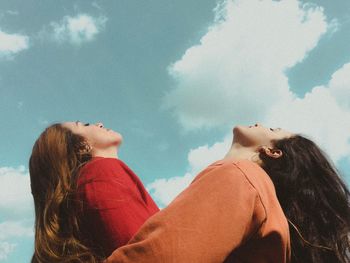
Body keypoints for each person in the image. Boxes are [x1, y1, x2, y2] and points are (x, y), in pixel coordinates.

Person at [105, 124, 350, 263]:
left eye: (274, 129)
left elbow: (161, 258)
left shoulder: (239, 174)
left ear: (273, 152)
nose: (262, 123)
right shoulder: (261, 196)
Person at [29, 121, 159, 263]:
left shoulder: (89, 181)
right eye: (85, 125)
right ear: (81, 146)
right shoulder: (99, 172)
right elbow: (149, 253)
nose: (100, 124)